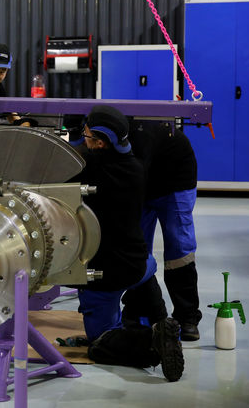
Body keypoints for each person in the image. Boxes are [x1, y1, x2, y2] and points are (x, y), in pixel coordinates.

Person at [68, 105, 184, 382]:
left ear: (99, 142)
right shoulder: (134, 165)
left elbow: (56, 175)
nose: (82, 139)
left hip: (104, 275)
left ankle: (150, 343)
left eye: (86, 135)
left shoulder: (90, 170)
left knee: (99, 344)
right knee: (145, 272)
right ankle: (162, 323)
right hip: (138, 263)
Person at [123, 121, 202, 341]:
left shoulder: (140, 137)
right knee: (137, 249)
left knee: (179, 248)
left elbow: (133, 176)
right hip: (145, 181)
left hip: (176, 178)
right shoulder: (105, 137)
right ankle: (138, 312)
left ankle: (187, 317)